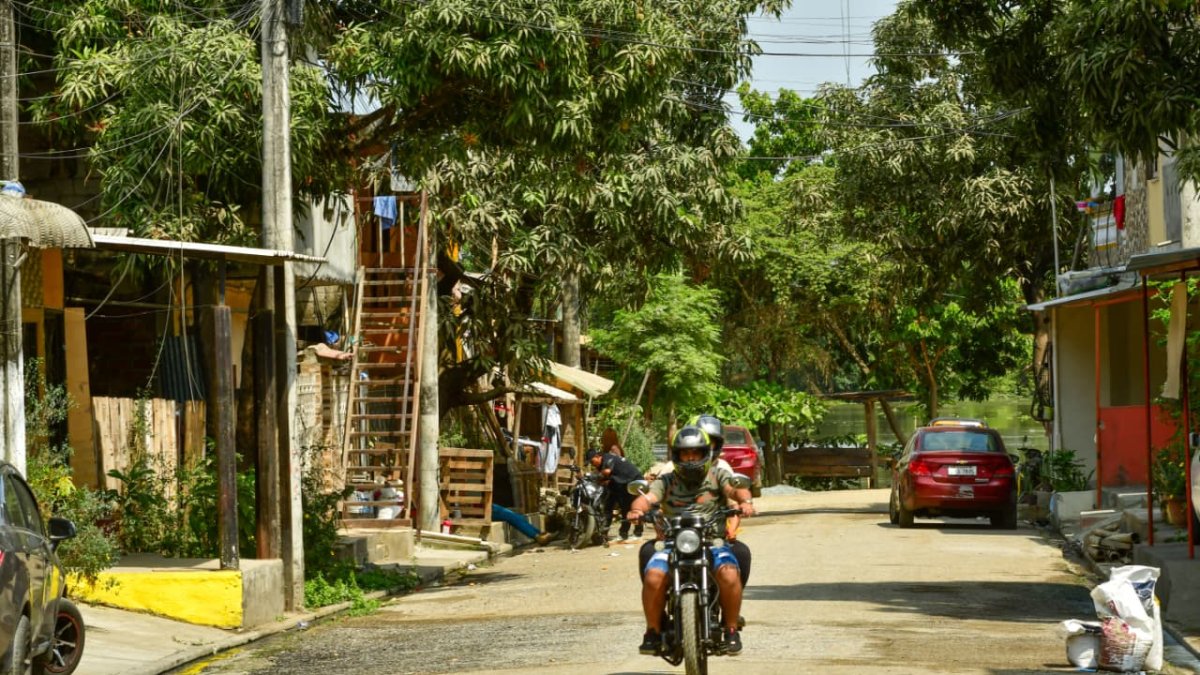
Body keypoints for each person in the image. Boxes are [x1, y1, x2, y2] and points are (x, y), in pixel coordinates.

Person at [629, 425, 755, 656]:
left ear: (705, 454)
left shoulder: (718, 475)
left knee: (729, 572)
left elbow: (736, 491)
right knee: (654, 575)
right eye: (685, 454)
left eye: (695, 453)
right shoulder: (666, 479)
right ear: (676, 455)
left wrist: (746, 502)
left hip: (712, 541)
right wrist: (637, 510)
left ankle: (731, 628)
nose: (690, 459)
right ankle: (652, 631)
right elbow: (647, 498)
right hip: (672, 543)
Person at [587, 447, 644, 541]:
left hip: (632, 481)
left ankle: (632, 533)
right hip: (620, 482)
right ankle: (604, 533)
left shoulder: (607, 458)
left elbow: (606, 472)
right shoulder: (602, 462)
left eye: (593, 462)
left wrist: (595, 477)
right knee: (608, 505)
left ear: (598, 456)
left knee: (629, 508)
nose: (593, 465)